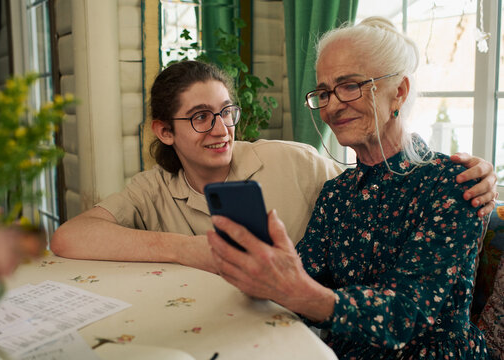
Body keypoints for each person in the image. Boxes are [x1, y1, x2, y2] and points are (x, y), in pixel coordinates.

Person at [207, 18, 491, 359]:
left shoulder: (452, 185)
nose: (332, 105)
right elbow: (301, 280)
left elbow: (405, 315)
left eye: (350, 85)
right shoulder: (335, 194)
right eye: (324, 92)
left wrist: (300, 293)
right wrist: (264, 276)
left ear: (399, 91)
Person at [51, 60, 497, 275]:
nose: (221, 129)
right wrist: (187, 249)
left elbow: (375, 186)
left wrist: (467, 174)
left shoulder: (294, 160)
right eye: (201, 117)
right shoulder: (152, 189)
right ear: (165, 131)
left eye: (226, 112)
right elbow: (69, 236)